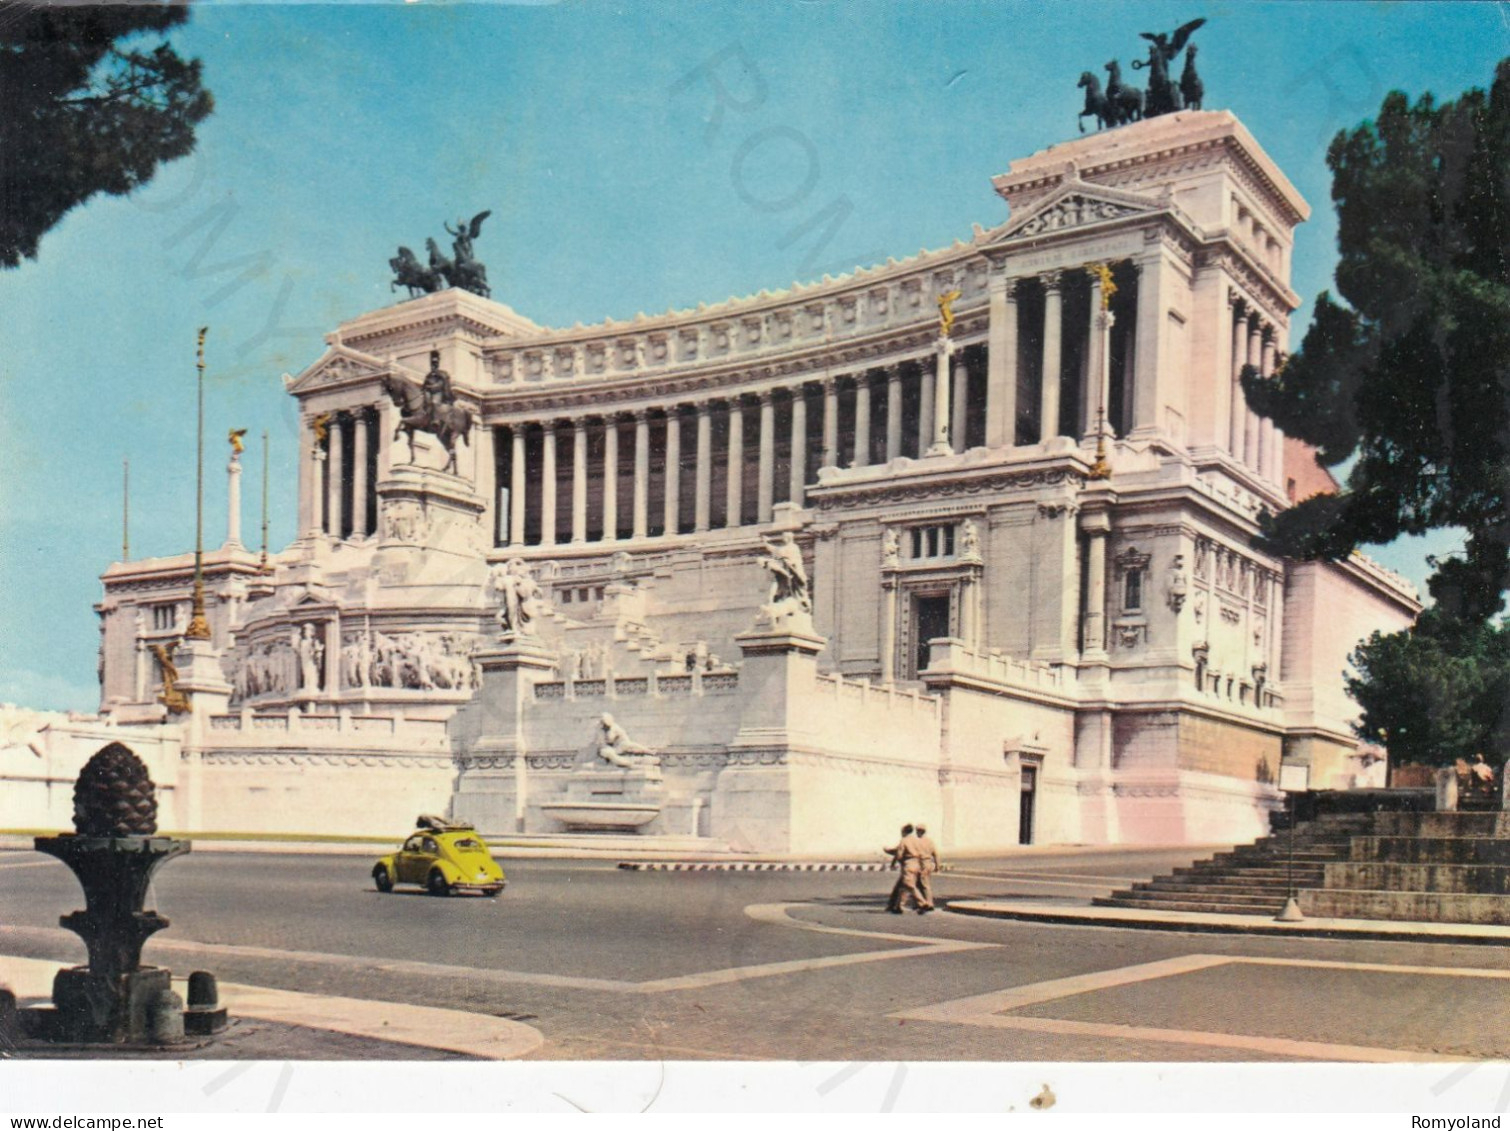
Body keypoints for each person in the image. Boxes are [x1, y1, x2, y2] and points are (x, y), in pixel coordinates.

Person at [882, 824, 915, 914]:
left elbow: (898, 853)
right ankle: (892, 905)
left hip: (908, 866)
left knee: (905, 886)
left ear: (904, 831)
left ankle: (899, 906)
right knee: (900, 886)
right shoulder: (915, 840)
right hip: (916, 866)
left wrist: (887, 852)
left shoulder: (904, 841)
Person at [913, 824, 940, 914]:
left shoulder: (916, 842)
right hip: (928, 863)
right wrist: (937, 866)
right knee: (921, 883)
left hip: (920, 863)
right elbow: (935, 854)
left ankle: (929, 903)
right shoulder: (929, 841)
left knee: (923, 884)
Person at [421, 350, 453, 423]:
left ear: (438, 363)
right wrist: (425, 389)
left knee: (434, 402)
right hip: (428, 392)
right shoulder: (429, 375)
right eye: (432, 363)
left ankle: (436, 420)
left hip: (438, 393)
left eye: (435, 363)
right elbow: (424, 384)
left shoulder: (442, 374)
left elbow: (441, 384)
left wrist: (431, 387)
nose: (433, 366)